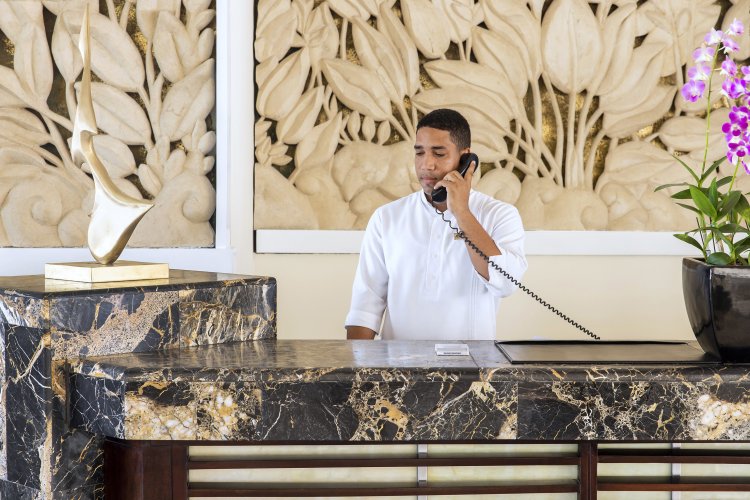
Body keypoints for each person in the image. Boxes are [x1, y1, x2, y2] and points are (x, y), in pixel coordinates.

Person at [345, 108, 527, 341]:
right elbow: (365, 307)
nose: (426, 165)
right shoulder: (386, 218)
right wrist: (357, 363)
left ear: (466, 160)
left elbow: (506, 283)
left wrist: (462, 212)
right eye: (419, 153)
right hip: (397, 363)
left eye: (439, 154)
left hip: (472, 362)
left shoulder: (500, 215)